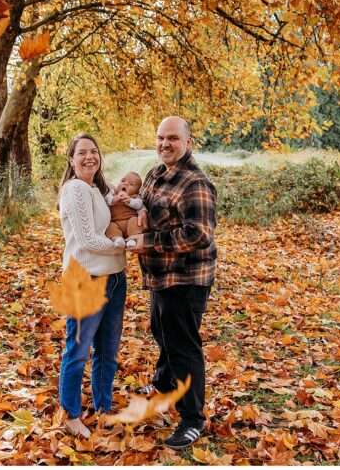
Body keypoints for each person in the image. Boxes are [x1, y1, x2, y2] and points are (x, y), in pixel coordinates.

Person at [127, 116, 217, 450]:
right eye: (160, 137)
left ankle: (193, 419)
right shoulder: (156, 174)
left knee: (182, 345)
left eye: (173, 139)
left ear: (188, 142)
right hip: (160, 275)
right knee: (160, 330)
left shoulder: (195, 183)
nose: (165, 143)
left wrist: (151, 241)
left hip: (186, 277)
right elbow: (146, 208)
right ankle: (163, 384)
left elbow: (199, 234)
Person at [56, 133, 127, 439]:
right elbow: (87, 239)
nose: (89, 157)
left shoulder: (97, 189)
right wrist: (124, 247)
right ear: (71, 160)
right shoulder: (74, 189)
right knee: (78, 351)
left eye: (94, 151)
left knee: (108, 351)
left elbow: (122, 212)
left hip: (114, 279)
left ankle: (103, 407)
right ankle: (71, 414)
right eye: (82, 152)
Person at [105, 171, 145, 248]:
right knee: (110, 226)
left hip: (129, 221)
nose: (125, 184)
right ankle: (117, 239)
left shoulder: (134, 197)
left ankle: (133, 239)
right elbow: (108, 200)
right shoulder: (112, 193)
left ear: (137, 191)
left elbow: (139, 205)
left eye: (131, 184)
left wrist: (129, 201)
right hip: (116, 222)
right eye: (123, 181)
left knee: (135, 221)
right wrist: (114, 200)